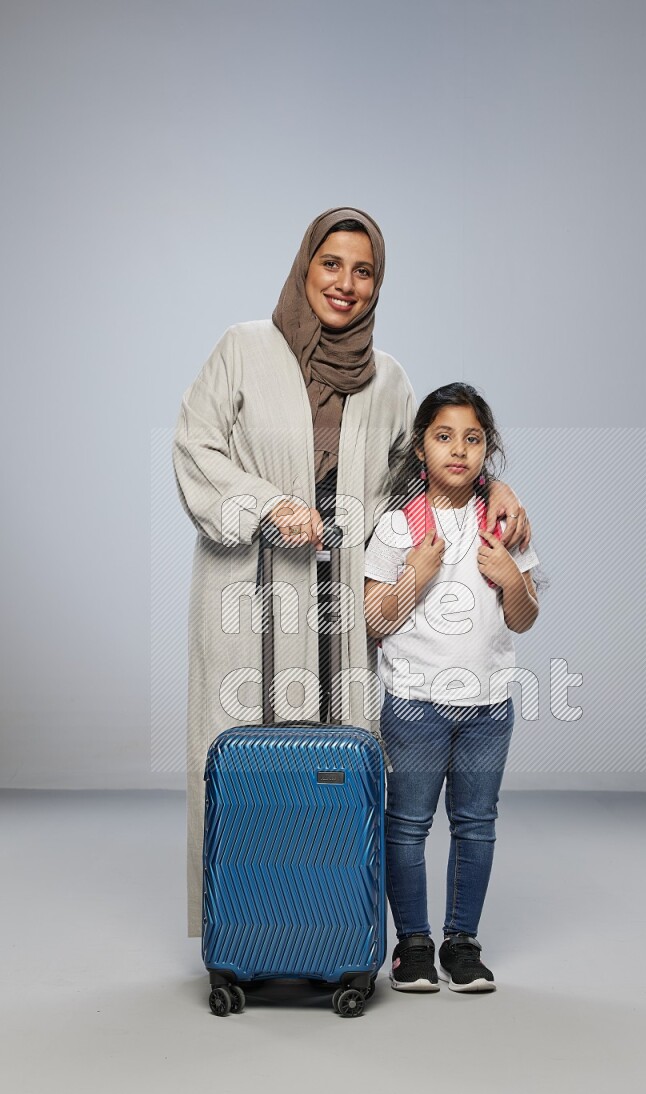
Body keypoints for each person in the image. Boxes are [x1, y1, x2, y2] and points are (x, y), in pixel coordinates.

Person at [174, 209, 531, 937]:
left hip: (343, 604)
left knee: (337, 766)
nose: (346, 283)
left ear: (378, 284)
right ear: (304, 266)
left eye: (364, 270)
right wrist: (270, 503)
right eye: (331, 263)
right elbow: (196, 448)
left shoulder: (390, 379)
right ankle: (243, 929)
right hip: (251, 589)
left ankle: (330, 930)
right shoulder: (242, 349)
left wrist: (496, 487)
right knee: (242, 760)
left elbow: (428, 473)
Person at [364, 382, 545, 993]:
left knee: (476, 823)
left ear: (486, 449)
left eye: (472, 439)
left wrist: (509, 578)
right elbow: (375, 617)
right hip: (414, 703)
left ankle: (461, 942)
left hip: (489, 705)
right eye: (444, 437)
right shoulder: (397, 525)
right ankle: (412, 944)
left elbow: (523, 617)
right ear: (422, 448)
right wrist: (418, 572)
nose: (458, 451)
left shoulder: (502, 521)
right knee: (408, 824)